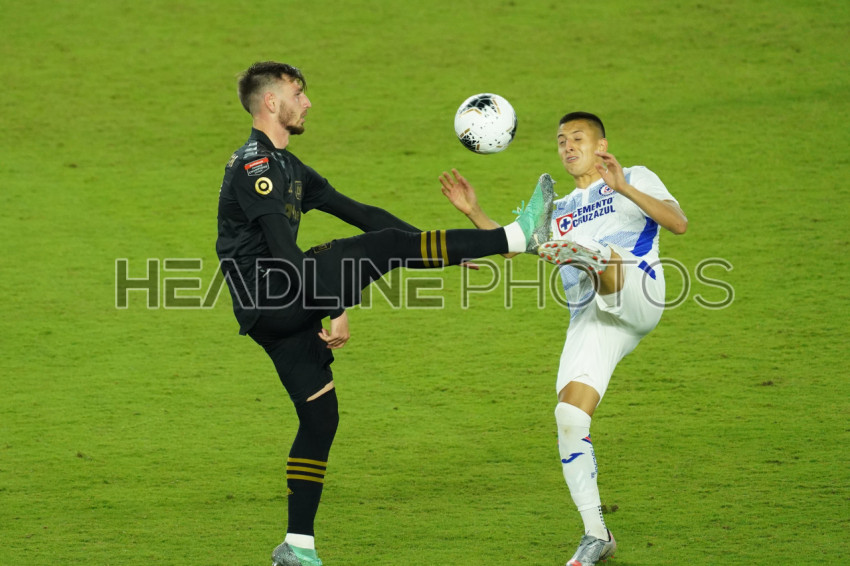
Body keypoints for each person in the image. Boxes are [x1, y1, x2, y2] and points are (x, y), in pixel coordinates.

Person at [215, 61, 554, 566]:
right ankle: (519, 235)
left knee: (320, 417)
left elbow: (365, 216)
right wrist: (333, 306)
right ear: (271, 102)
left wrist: (450, 250)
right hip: (275, 293)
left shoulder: (288, 166)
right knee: (386, 248)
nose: (307, 102)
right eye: (298, 93)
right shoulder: (255, 168)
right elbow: (284, 250)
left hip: (271, 314)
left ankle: (297, 546)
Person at [440, 111, 687, 566]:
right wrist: (474, 212)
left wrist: (624, 188)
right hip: (591, 316)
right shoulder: (561, 208)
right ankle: (596, 534)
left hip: (639, 288)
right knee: (569, 417)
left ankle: (583, 254)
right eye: (560, 141)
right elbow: (511, 248)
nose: (568, 147)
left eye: (577, 138)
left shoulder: (635, 176)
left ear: (601, 145)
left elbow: (678, 223)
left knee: (598, 253)